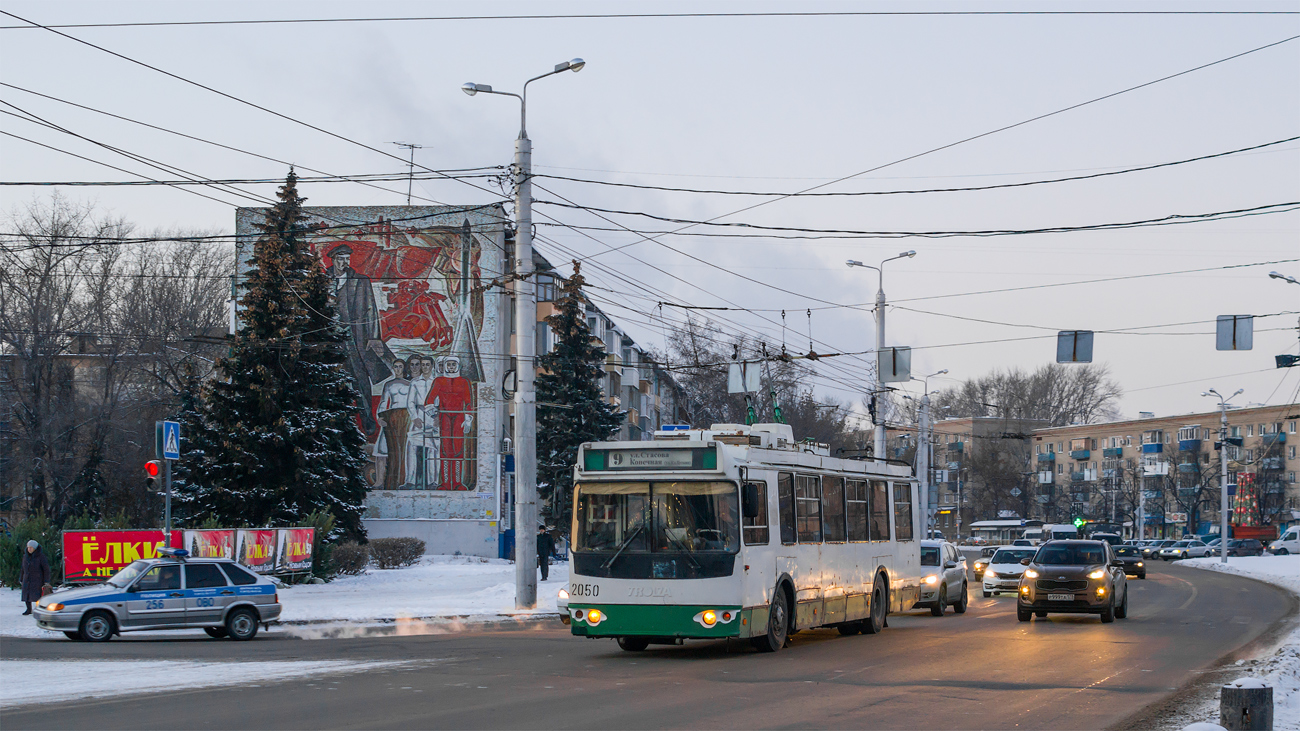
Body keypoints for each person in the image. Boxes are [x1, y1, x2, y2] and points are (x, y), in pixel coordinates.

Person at [328, 244, 393, 437]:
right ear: (333, 259)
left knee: (360, 379)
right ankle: (339, 424)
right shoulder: (322, 280)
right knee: (333, 380)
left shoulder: (361, 281)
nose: (344, 262)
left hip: (355, 338)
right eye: (341, 258)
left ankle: (367, 419)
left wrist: (373, 338)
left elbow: (371, 310)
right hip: (331, 339)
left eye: (347, 258)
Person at [20, 540, 50, 615]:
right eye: (28, 547)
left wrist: (46, 580)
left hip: (37, 579)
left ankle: (40, 609)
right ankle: (28, 609)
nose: (29, 549)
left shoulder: (41, 557)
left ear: (35, 548)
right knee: (26, 595)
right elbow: (22, 568)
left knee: (38, 595)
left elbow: (46, 569)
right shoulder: (25, 556)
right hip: (26, 579)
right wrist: (21, 578)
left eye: (31, 547)